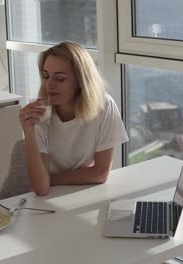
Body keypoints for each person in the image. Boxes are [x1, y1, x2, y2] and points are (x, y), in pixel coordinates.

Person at [20, 41, 129, 196]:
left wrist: (50, 179)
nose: (48, 85)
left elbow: (100, 174)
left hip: (82, 193)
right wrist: (28, 133)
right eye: (45, 76)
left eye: (60, 78)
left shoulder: (103, 106)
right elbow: (41, 188)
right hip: (47, 198)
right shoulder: (39, 112)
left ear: (80, 81)